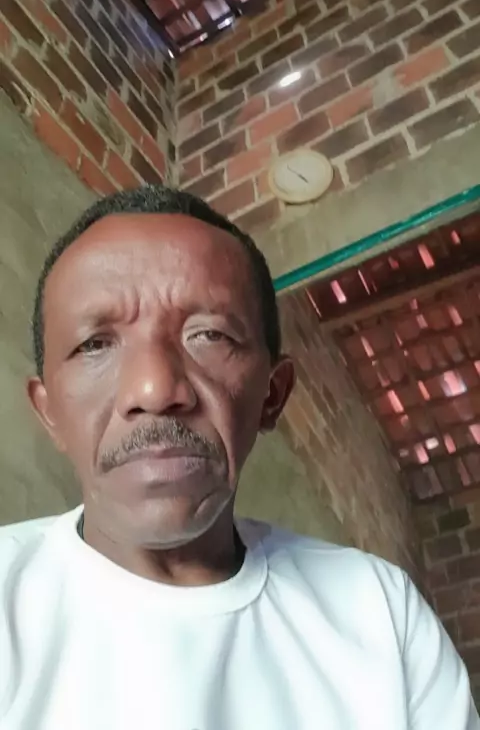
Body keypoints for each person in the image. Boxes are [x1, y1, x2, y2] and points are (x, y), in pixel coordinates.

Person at [0, 184, 478, 730]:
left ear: (272, 395)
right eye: (95, 345)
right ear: (50, 412)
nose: (155, 389)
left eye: (209, 335)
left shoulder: (380, 614)